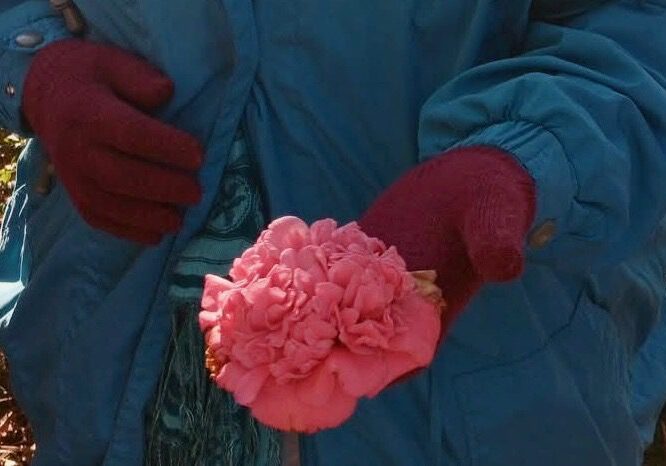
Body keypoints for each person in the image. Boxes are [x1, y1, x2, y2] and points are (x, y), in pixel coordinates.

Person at [0, 0, 665, 464]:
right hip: (104, 349)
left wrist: (525, 159)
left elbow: (640, 26)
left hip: (485, 384)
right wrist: (36, 64)